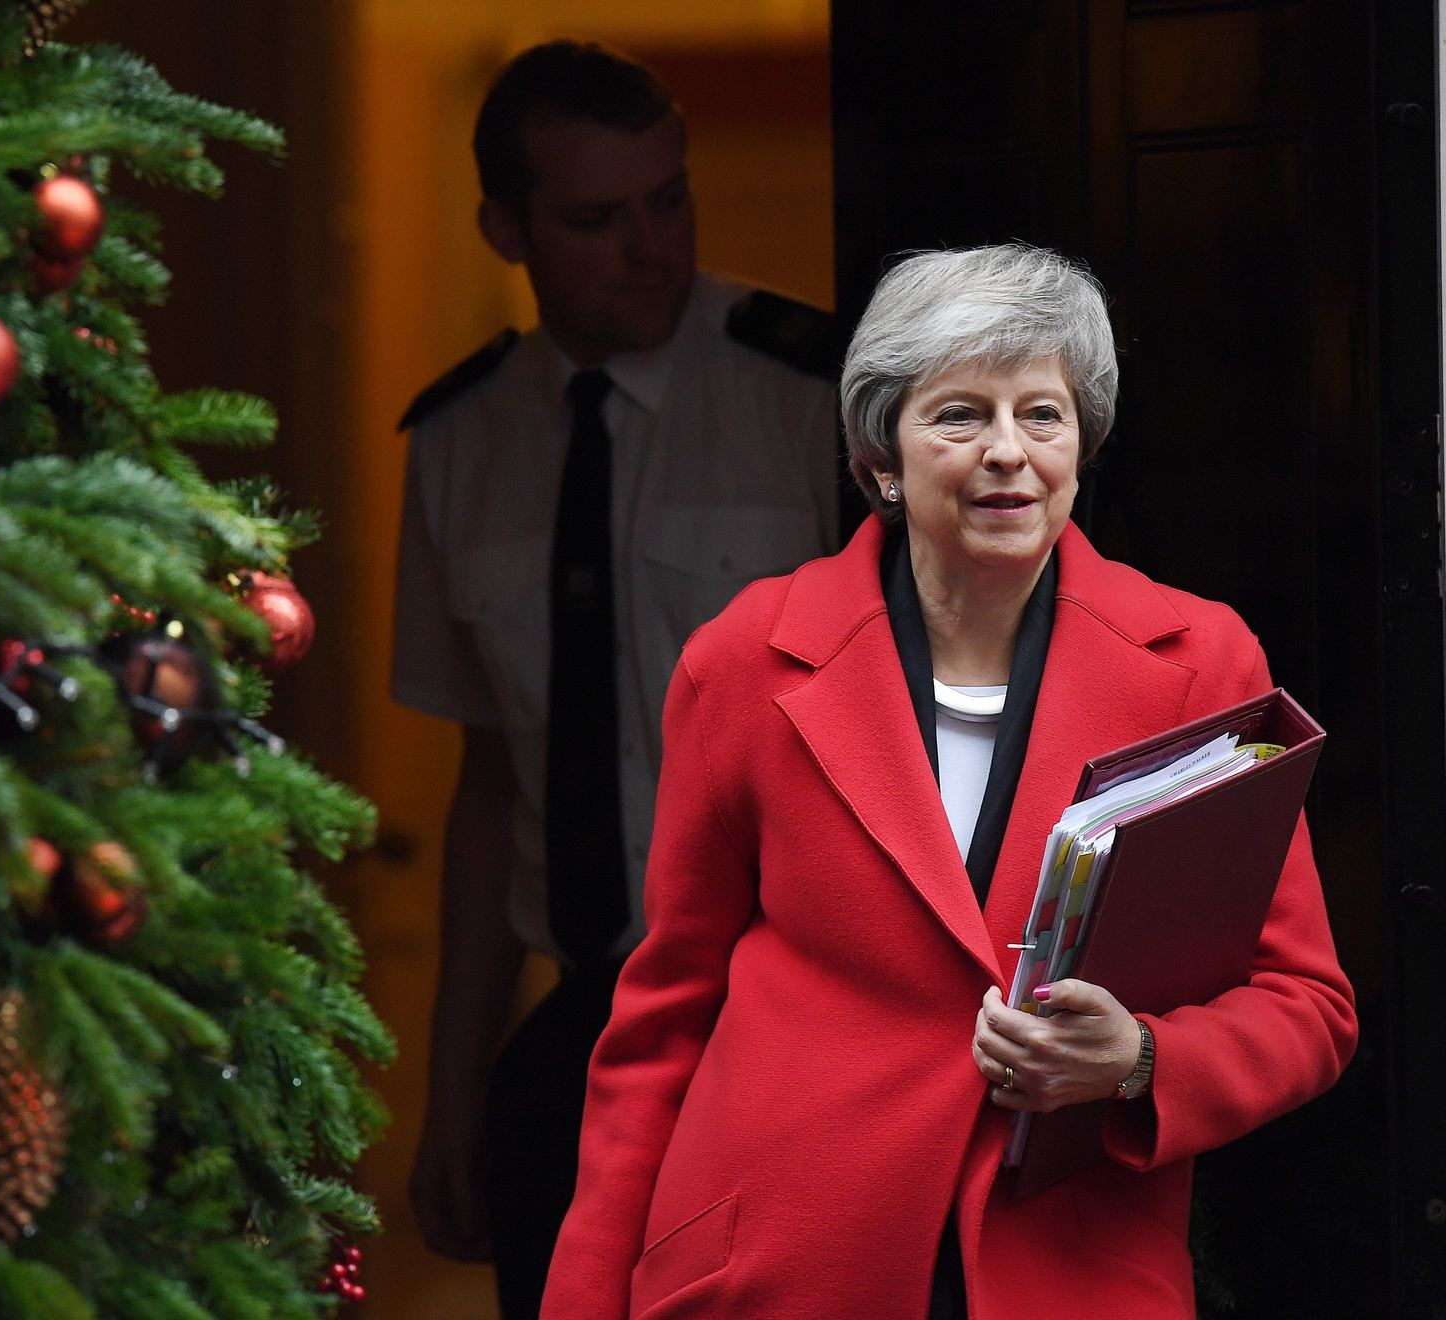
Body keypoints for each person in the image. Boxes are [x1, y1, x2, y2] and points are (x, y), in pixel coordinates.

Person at [540, 243, 1358, 1318]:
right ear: (882, 455)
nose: (1008, 452)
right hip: (785, 1265)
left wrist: (1141, 1058)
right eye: (961, 415)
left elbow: (1308, 1005)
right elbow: (662, 1022)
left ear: (1083, 445)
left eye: (1042, 415)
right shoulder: (743, 663)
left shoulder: (1201, 666)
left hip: (1064, 1271)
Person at [389, 40, 843, 1319]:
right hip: (580, 1036)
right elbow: (492, 785)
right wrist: (454, 1095)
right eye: (597, 220)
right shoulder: (459, 441)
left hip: (789, 1022)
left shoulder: (807, 394)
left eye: (669, 200)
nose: (651, 249)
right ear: (507, 230)